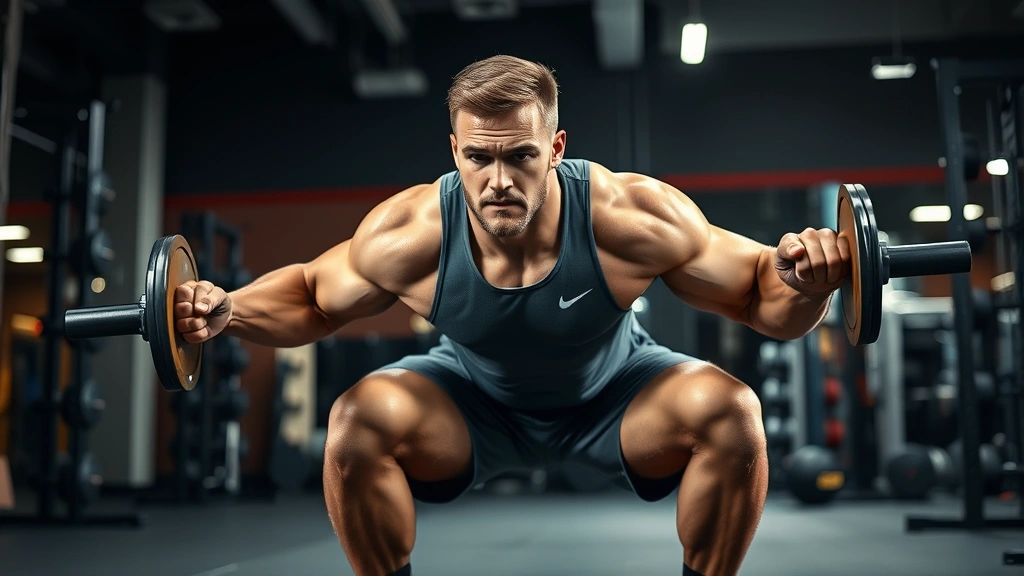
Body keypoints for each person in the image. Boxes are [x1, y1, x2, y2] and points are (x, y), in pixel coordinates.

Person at [174, 55, 851, 576]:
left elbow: (763, 297)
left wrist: (810, 279)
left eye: (521, 155)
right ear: (454, 153)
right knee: (355, 421)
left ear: (555, 148)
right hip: (472, 403)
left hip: (616, 393)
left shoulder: (629, 216)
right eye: (479, 157)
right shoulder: (409, 234)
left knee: (732, 413)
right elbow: (313, 299)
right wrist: (228, 309)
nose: (499, 179)